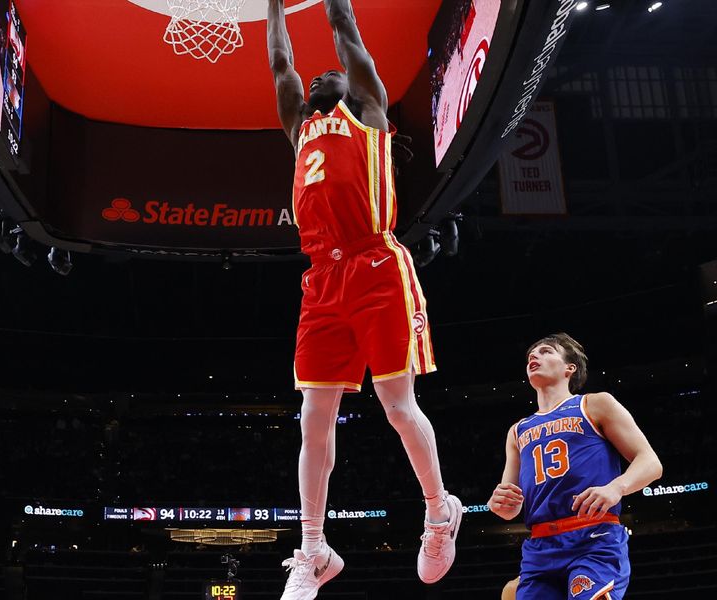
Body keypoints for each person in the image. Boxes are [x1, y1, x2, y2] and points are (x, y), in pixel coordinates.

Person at [266, 1, 462, 598]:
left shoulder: (371, 112)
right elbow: (279, 62)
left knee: (397, 406)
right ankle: (314, 549)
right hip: (321, 278)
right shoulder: (300, 130)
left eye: (335, 73)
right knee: (312, 418)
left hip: (376, 264)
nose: (326, 74)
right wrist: (273, 5)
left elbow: (345, 29)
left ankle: (438, 510)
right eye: (318, 76)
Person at [487, 333, 663, 600]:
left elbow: (650, 462)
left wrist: (617, 487)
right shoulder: (517, 430)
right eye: (530, 355)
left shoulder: (594, 404)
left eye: (546, 351)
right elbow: (510, 503)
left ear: (570, 368)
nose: (534, 356)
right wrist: (501, 504)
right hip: (540, 545)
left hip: (593, 535)